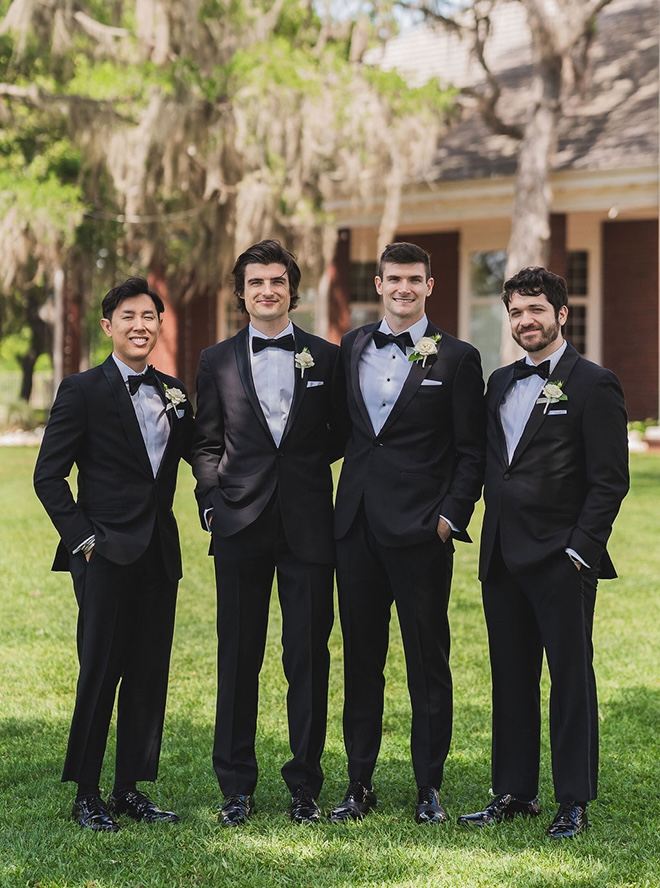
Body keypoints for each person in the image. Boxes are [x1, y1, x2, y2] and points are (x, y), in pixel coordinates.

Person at [457, 266, 629, 838]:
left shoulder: (594, 383)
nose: (525, 321)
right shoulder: (500, 382)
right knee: (510, 676)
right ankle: (513, 791)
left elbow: (610, 480)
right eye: (516, 313)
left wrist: (580, 551)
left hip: (561, 559)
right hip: (502, 555)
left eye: (536, 311)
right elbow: (489, 464)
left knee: (570, 679)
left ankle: (573, 801)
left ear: (561, 314)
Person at [329, 241, 486, 824]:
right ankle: (359, 785)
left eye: (414, 279)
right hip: (355, 528)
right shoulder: (350, 348)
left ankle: (428, 788)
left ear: (430, 286)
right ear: (378, 284)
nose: (403, 288)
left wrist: (450, 517)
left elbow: (472, 452)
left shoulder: (457, 358)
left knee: (427, 660)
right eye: (393, 278)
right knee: (361, 660)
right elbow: (344, 432)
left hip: (423, 533)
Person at [33, 277, 194, 832]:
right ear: (109, 326)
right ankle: (86, 793)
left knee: (149, 673)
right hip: (103, 554)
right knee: (100, 672)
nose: (140, 325)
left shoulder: (175, 392)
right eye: (128, 316)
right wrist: (85, 540)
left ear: (159, 324)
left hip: (159, 555)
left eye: (149, 316)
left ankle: (129, 790)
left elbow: (203, 454)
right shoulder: (82, 389)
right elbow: (48, 476)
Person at [191, 239, 339, 826]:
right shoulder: (215, 360)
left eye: (277, 281)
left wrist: (299, 471)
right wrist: (212, 500)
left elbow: (342, 435)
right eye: (256, 283)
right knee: (238, 655)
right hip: (238, 523)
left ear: (292, 290)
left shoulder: (326, 358)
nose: (267, 291)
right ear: (242, 292)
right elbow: (204, 442)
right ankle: (236, 786)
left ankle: (304, 785)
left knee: (308, 656)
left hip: (308, 526)